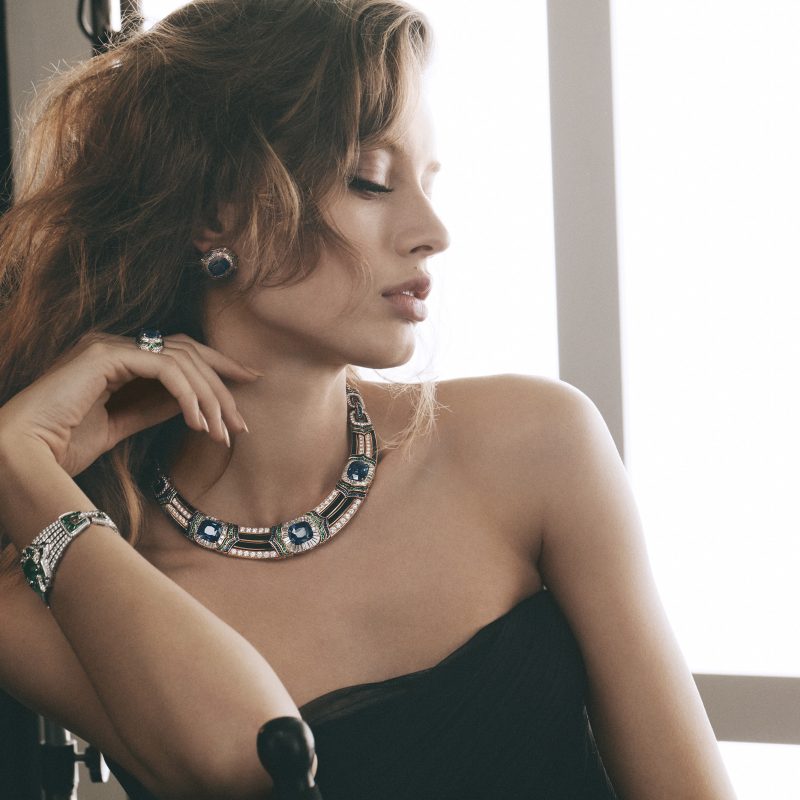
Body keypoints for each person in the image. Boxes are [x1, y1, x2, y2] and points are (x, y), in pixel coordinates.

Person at [0, 1, 738, 798]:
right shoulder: (46, 577)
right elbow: (247, 764)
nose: (433, 232)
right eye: (372, 182)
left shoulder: (536, 444)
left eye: (428, 183)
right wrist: (21, 466)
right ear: (215, 215)